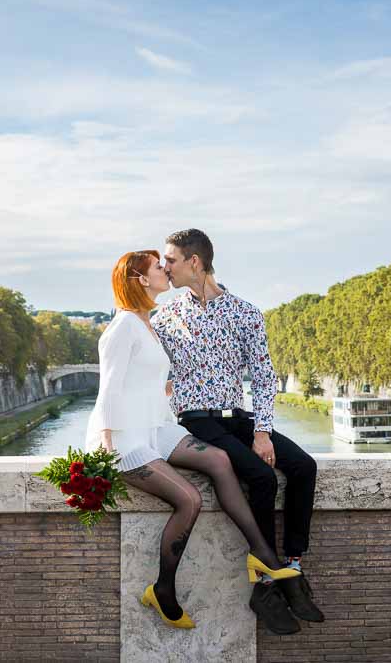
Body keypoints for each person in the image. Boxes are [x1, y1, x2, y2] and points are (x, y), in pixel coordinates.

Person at [85, 249, 300, 631]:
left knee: (219, 460)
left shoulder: (149, 322)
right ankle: (162, 589)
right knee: (189, 499)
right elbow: (109, 389)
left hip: (157, 427)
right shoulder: (121, 327)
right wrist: (106, 440)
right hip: (127, 436)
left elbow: (151, 378)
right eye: (157, 267)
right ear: (140, 280)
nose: (165, 270)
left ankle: (263, 555)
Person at [152, 229, 325, 634]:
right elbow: (140, 365)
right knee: (261, 477)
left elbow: (265, 378)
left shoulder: (245, 312)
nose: (165, 268)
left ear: (195, 262)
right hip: (197, 420)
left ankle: (293, 563)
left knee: (303, 466)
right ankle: (268, 580)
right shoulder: (165, 316)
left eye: (171, 260)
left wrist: (262, 431)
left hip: (238, 417)